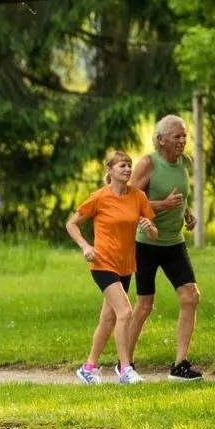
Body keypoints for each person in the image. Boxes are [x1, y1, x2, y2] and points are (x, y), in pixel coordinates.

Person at [66, 150, 158, 385]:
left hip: (125, 265)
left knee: (108, 319)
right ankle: (125, 369)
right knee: (125, 312)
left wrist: (149, 228)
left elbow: (154, 233)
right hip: (102, 263)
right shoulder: (99, 197)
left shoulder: (138, 197)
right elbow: (72, 224)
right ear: (110, 171)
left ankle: (88, 367)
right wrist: (86, 246)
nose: (127, 169)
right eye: (121, 166)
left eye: (129, 165)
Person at [127, 114, 203, 381]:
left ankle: (180, 365)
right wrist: (162, 205)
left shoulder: (185, 162)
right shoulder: (148, 163)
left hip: (174, 242)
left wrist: (186, 212)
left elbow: (178, 196)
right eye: (177, 136)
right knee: (145, 304)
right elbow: (129, 204)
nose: (183, 140)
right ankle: (126, 364)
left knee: (191, 297)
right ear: (161, 140)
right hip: (146, 243)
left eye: (184, 135)